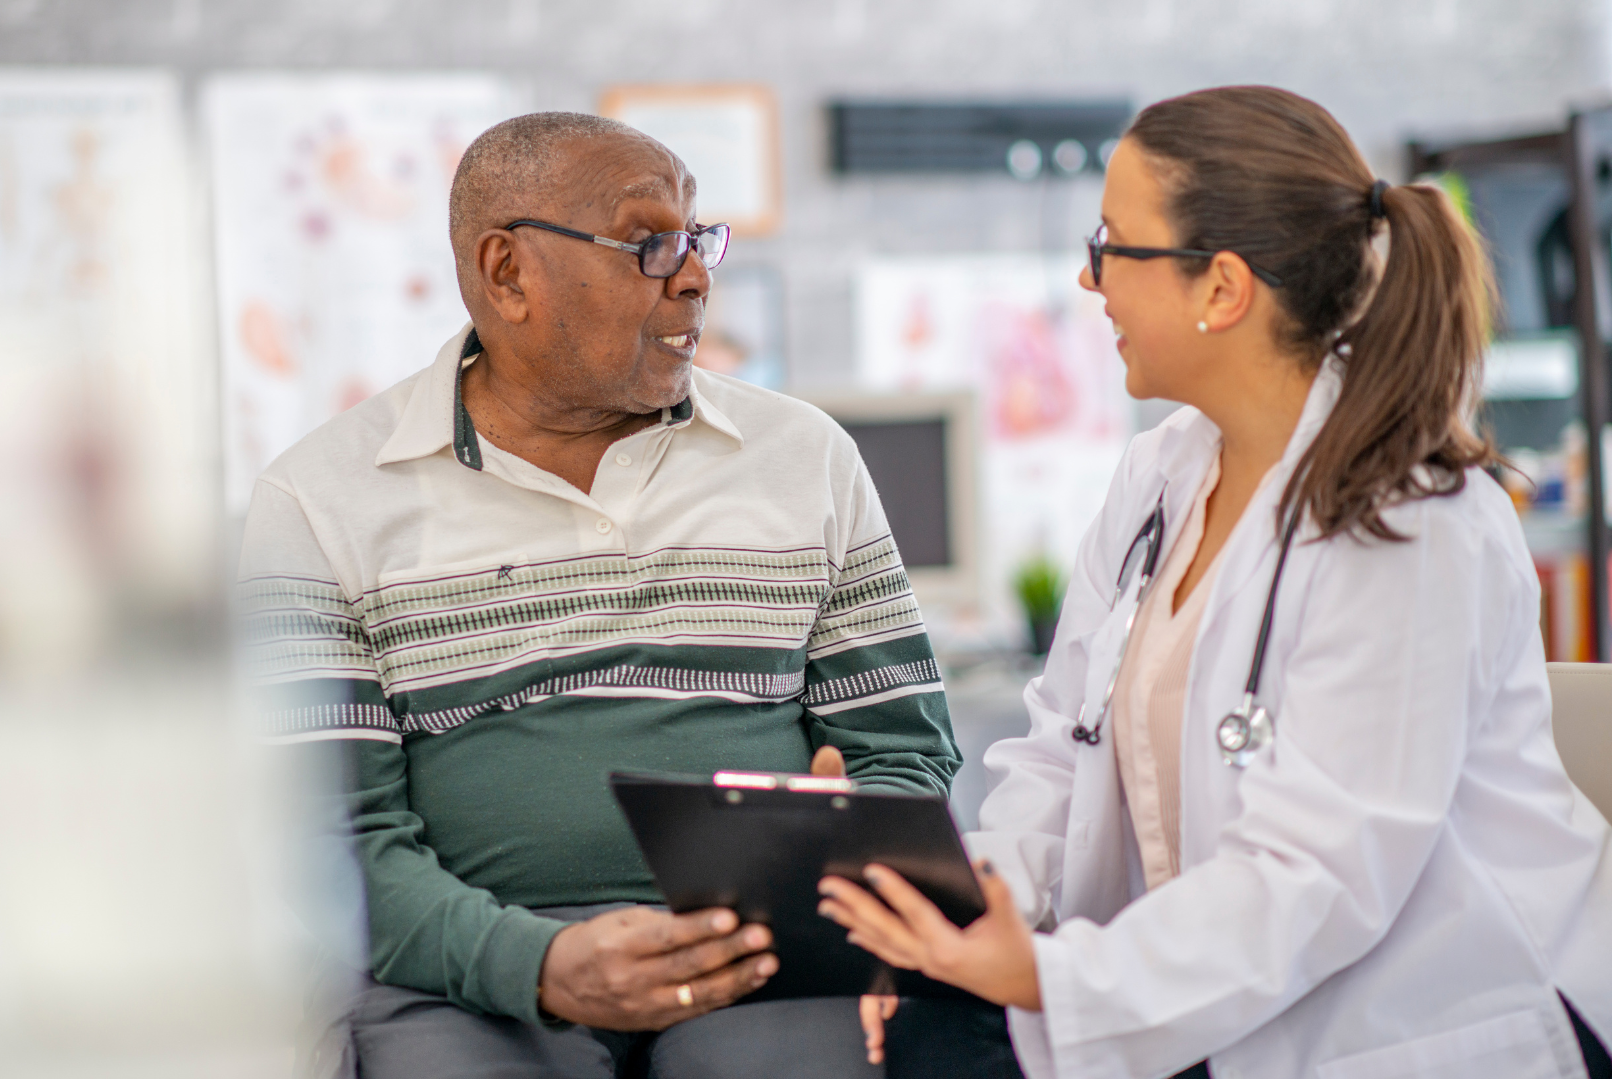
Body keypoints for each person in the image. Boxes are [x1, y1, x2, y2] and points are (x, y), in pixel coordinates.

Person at [819, 85, 1612, 1079]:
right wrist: (969, 899)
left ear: (1221, 288)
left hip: (1425, 1021)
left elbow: (1317, 874)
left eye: (1111, 245)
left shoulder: (1408, 519)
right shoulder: (1160, 474)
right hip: (1211, 1001)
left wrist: (1053, 979)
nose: (1087, 275)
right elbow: (1060, 750)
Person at [238, 112, 967, 1078]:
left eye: (698, 239)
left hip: (759, 954)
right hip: (469, 972)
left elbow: (906, 757)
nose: (698, 275)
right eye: (651, 243)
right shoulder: (319, 497)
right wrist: (538, 964)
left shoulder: (806, 458)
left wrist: (828, 872)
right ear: (508, 274)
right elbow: (331, 842)